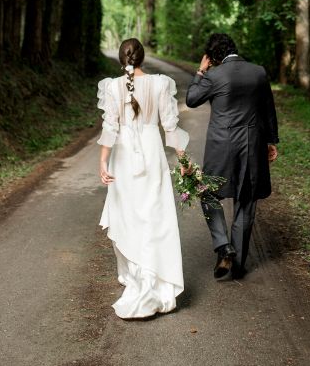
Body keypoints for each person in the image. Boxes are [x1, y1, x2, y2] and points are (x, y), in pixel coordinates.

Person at [97, 38, 189, 319]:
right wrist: (183, 160)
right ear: (143, 57)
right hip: (151, 153)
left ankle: (139, 280)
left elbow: (110, 127)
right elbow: (170, 126)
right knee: (154, 216)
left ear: (121, 58)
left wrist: (102, 161)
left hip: (123, 157)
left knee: (129, 215)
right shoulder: (161, 84)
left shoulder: (112, 86)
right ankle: (155, 283)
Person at [186, 33, 279, 280]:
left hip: (222, 146)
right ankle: (237, 264)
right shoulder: (258, 72)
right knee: (246, 200)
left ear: (213, 57)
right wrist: (271, 141)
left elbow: (192, 99)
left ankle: (223, 246)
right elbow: (268, 109)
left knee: (208, 192)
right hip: (253, 145)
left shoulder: (214, 75)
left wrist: (200, 72)